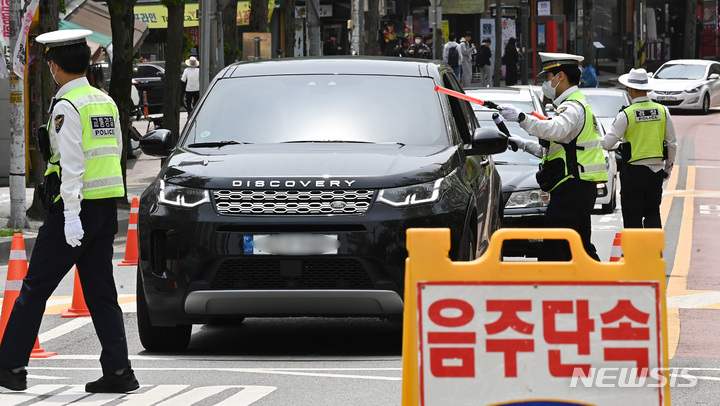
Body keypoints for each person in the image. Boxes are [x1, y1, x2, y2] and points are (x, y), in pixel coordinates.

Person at [0, 29, 139, 393]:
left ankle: (10, 367)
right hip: (105, 209)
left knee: (34, 288)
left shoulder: (67, 105)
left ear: (56, 66)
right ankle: (119, 371)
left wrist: (72, 215)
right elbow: (116, 153)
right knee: (100, 292)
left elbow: (74, 165)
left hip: (73, 212)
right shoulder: (104, 100)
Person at [498, 52, 607, 261]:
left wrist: (521, 117)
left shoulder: (573, 107)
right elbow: (559, 150)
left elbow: (555, 130)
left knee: (556, 247)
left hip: (572, 188)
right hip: (578, 186)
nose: (545, 83)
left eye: (547, 78)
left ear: (561, 77)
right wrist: (522, 144)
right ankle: (598, 286)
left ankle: (554, 288)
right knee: (580, 248)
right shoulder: (575, 105)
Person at [600, 68, 677, 228]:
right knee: (653, 213)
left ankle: (635, 252)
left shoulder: (626, 114)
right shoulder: (663, 111)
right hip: (656, 172)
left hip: (633, 173)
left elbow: (607, 143)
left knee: (632, 217)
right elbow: (672, 143)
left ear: (630, 89)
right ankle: (654, 252)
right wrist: (668, 167)